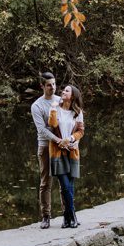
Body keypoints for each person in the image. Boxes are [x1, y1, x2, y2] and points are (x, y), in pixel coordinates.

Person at [47, 84, 85, 228]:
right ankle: (72, 215)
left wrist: (71, 139)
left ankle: (66, 218)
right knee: (65, 184)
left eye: (67, 91)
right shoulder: (56, 108)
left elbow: (80, 131)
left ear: (73, 96)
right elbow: (52, 124)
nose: (63, 91)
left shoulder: (77, 112)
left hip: (72, 151)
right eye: (63, 90)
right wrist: (53, 108)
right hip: (57, 151)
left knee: (70, 185)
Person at [29, 72, 59, 229]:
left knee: (64, 179)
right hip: (45, 146)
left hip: (61, 146)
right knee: (45, 182)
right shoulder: (37, 106)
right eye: (49, 85)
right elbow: (41, 130)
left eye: (54, 84)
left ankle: (68, 214)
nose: (52, 87)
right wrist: (58, 139)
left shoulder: (60, 101)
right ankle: (46, 216)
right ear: (42, 86)